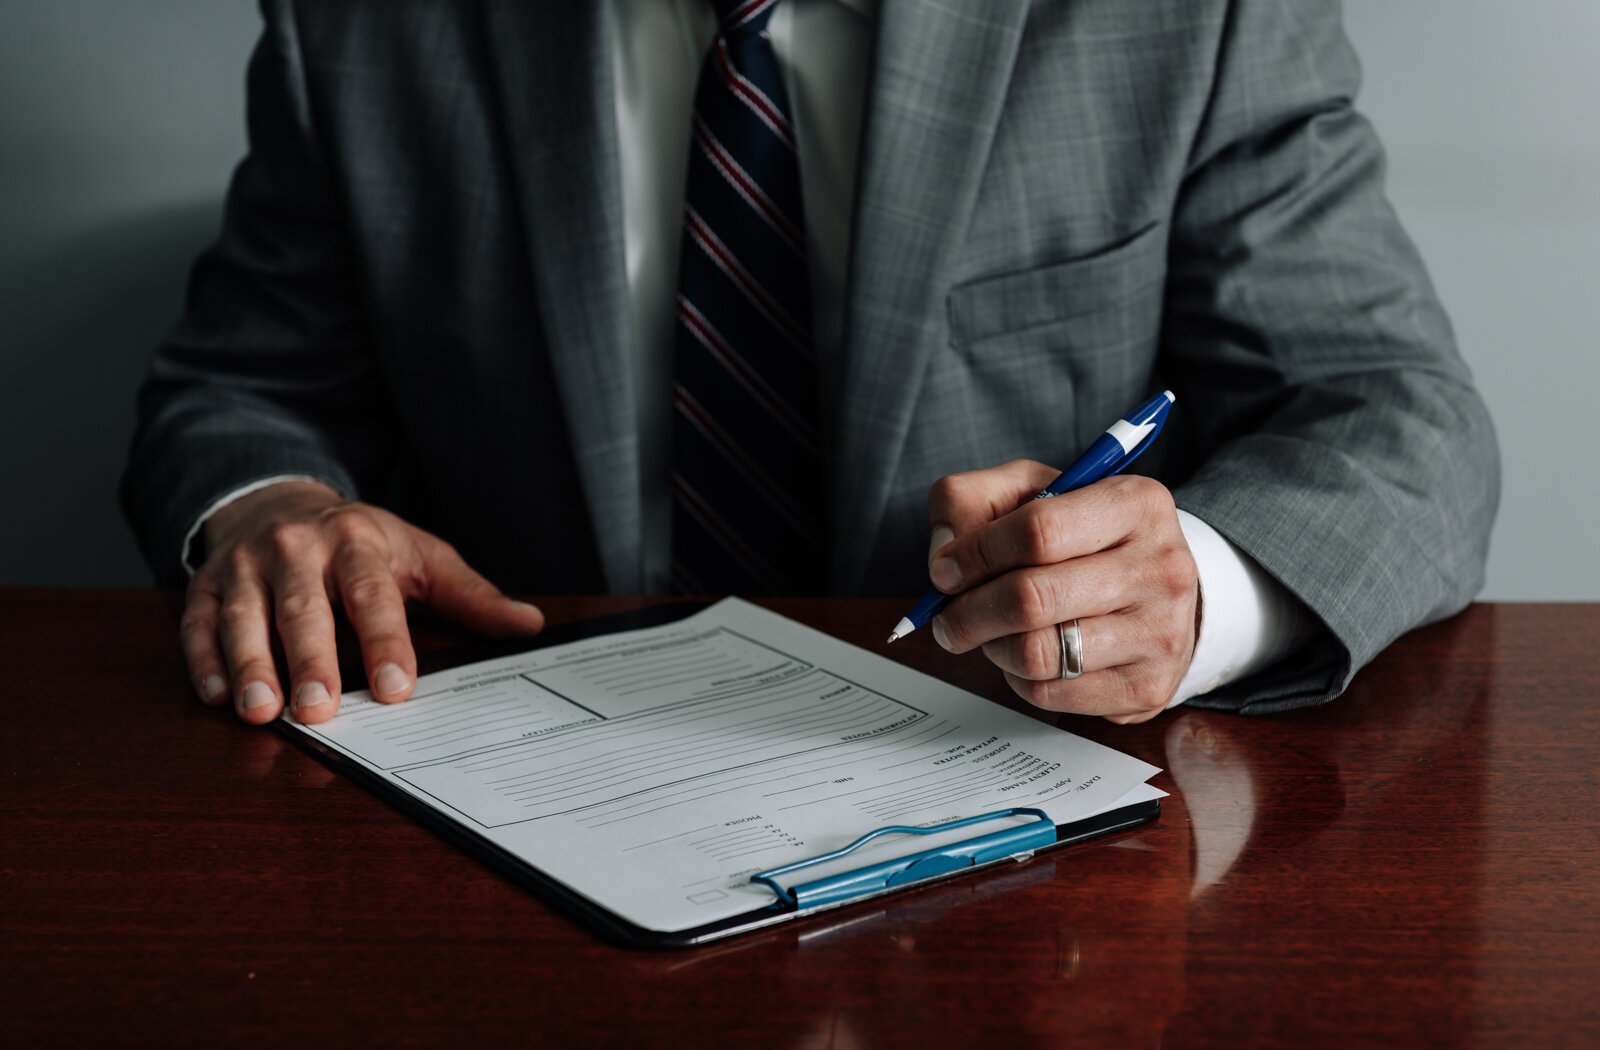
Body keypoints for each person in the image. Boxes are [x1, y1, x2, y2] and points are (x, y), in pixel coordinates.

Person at [121, 0, 1499, 731]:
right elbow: (240, 389)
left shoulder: (1187, 14)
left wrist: (1192, 590)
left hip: (1004, 812)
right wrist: (265, 512)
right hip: (514, 787)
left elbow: (1398, 416)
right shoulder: (359, 26)